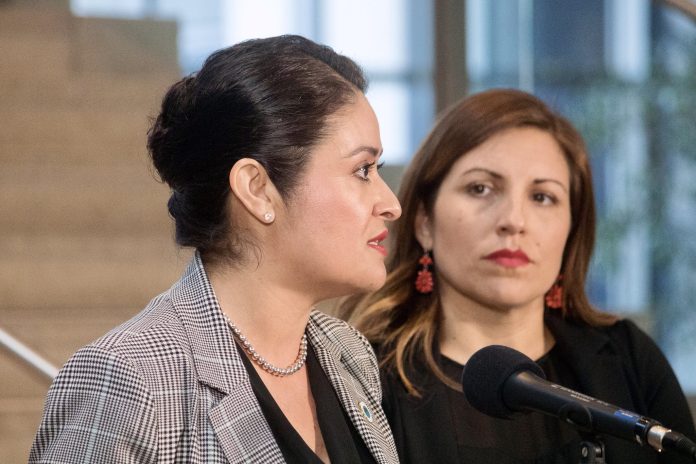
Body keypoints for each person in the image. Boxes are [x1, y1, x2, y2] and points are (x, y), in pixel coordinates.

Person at [29, 35, 401, 464]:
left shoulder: (346, 351)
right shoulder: (134, 376)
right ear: (257, 190)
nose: (391, 204)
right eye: (362, 170)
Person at [343, 88, 696, 463]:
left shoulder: (627, 359)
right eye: (480, 189)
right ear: (424, 221)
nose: (513, 220)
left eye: (542, 197)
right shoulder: (365, 377)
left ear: (572, 229)